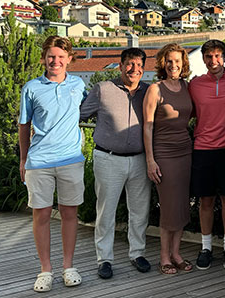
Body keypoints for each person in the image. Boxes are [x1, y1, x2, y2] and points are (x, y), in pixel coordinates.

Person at [19, 36, 86, 292]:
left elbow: (93, 106)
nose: (55, 61)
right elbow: (24, 126)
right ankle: (45, 270)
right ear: (43, 58)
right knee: (42, 214)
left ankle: (68, 267)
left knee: (70, 214)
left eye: (60, 56)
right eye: (51, 56)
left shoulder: (78, 85)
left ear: (69, 59)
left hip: (70, 159)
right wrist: (24, 159)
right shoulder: (32, 88)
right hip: (39, 162)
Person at [80, 48, 152, 279]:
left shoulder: (149, 92)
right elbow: (79, 115)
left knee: (139, 211)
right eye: (129, 64)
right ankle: (104, 259)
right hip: (108, 159)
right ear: (120, 66)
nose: (134, 69)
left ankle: (137, 253)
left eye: (139, 65)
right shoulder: (103, 89)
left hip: (140, 159)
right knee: (106, 211)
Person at [188, 39, 225, 270]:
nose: (213, 61)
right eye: (209, 57)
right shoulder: (195, 84)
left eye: (218, 56)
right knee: (206, 201)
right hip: (203, 149)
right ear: (203, 59)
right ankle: (206, 248)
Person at [143, 43, 193, 275]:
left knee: (182, 205)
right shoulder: (155, 88)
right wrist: (150, 160)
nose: (173, 65)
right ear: (163, 63)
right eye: (169, 61)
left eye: (177, 61)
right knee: (169, 207)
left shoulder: (186, 86)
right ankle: (164, 255)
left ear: (184, 63)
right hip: (164, 153)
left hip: (186, 152)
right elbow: (148, 126)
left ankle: (176, 253)